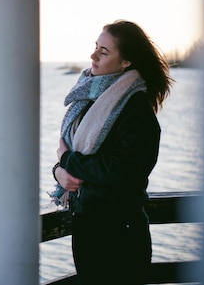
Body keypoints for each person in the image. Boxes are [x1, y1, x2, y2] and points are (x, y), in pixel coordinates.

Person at [51, 20, 173, 285]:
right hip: (87, 229)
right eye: (95, 47)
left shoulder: (137, 112)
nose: (93, 55)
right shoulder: (90, 102)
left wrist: (66, 161)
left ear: (126, 62)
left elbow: (118, 171)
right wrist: (59, 171)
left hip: (120, 236)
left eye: (104, 51)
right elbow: (72, 153)